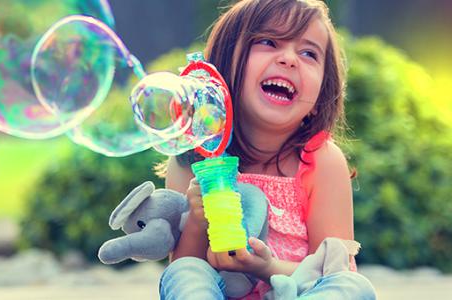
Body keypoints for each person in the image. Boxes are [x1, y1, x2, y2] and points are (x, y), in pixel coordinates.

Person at [160, 0, 375, 299]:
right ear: (221, 70)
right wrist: (197, 219)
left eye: (308, 53)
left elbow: (333, 269)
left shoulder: (321, 161)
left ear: (319, 98)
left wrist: (268, 267)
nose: (289, 59)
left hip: (298, 293)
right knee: (184, 273)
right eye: (268, 41)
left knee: (353, 285)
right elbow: (183, 268)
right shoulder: (192, 157)